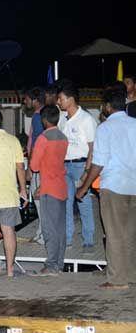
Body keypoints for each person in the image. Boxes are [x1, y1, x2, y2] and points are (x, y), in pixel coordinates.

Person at [76, 86, 136, 289]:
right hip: (134, 185)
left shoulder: (105, 128)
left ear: (107, 107)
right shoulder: (135, 125)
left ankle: (118, 280)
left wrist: (84, 186)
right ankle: (131, 274)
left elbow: (98, 163)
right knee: (130, 234)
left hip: (114, 185)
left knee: (114, 233)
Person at [0, 109, 27, 278]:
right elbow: (20, 167)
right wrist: (22, 189)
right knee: (9, 232)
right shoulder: (13, 140)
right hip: (9, 195)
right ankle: (9, 271)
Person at [30, 106, 69, 276]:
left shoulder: (43, 138)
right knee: (60, 228)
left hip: (48, 189)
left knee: (49, 228)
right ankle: (59, 263)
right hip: (61, 186)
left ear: (44, 120)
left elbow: (34, 166)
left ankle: (51, 265)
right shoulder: (63, 137)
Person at [58, 84, 97, 251]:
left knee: (84, 202)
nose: (58, 102)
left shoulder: (86, 119)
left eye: (61, 98)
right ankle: (67, 238)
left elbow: (93, 148)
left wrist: (87, 172)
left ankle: (88, 240)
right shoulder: (62, 118)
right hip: (64, 165)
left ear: (71, 99)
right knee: (65, 202)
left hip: (81, 165)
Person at [24, 87, 47, 245]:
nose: (25, 102)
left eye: (27, 99)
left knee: (39, 199)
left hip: (38, 164)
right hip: (42, 163)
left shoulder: (38, 117)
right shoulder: (42, 115)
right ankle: (41, 232)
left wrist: (31, 168)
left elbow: (37, 143)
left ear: (34, 100)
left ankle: (44, 235)